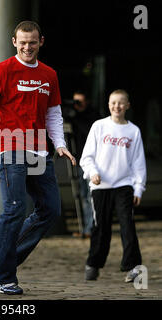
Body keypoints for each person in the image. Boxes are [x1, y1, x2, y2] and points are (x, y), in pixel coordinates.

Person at [0, 21, 75, 295]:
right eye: (23, 42)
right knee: (15, 207)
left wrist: (60, 144)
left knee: (50, 209)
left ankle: (5, 250)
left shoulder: (49, 74)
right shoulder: (3, 70)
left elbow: (53, 113)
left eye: (32, 42)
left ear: (41, 41)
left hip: (40, 148)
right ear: (14, 42)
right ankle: (1, 277)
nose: (27, 47)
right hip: (9, 145)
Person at [80, 89, 146, 283]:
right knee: (102, 227)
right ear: (108, 105)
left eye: (120, 103)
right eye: (113, 102)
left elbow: (138, 163)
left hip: (124, 185)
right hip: (100, 186)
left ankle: (133, 267)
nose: (116, 106)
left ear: (127, 106)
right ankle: (94, 264)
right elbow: (87, 157)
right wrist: (93, 173)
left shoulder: (133, 131)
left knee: (127, 225)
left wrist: (139, 187)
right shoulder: (99, 127)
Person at [69, 90, 100, 238]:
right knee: (82, 195)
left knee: (89, 196)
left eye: (79, 102)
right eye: (75, 102)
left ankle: (91, 228)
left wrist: (75, 118)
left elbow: (86, 130)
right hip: (79, 159)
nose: (77, 105)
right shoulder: (74, 117)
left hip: (92, 161)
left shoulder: (93, 117)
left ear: (86, 102)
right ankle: (86, 227)